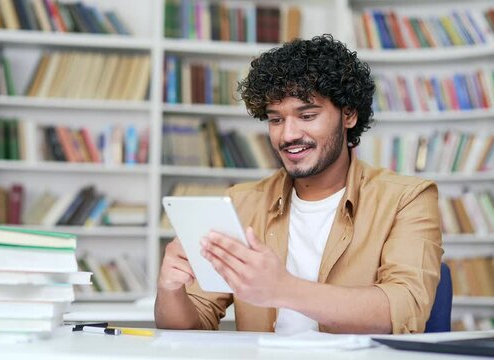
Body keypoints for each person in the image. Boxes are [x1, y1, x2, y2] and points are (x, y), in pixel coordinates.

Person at [155, 34, 443, 334]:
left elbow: (405, 309)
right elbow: (190, 325)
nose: (288, 134)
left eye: (307, 115)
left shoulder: (407, 199)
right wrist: (171, 288)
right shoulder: (240, 202)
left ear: (348, 114)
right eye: (276, 119)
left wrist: (283, 289)